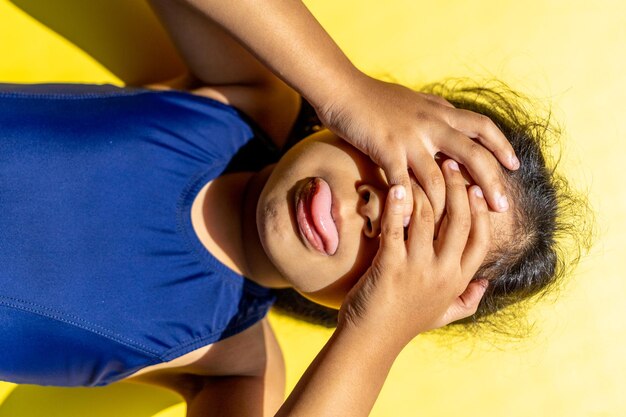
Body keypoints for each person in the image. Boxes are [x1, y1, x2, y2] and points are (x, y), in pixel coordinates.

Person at [0, 1, 585, 416]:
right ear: (396, 123)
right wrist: (345, 88)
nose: (383, 207)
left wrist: (375, 336)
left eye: (417, 243)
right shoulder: (245, 96)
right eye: (410, 171)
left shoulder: (235, 365)